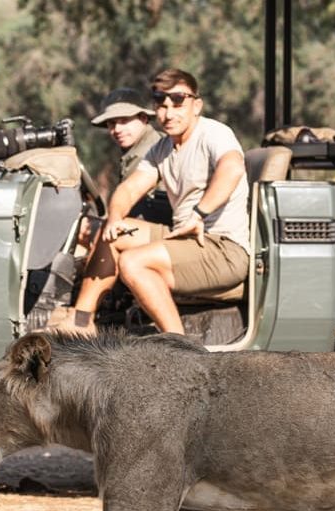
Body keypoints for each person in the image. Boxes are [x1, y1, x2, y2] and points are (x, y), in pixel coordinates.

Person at [47, 68, 249, 337]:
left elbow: (232, 168)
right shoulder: (163, 148)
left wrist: (200, 214)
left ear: (196, 105)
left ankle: (178, 345)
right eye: (161, 104)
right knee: (113, 232)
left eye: (178, 101)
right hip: (185, 238)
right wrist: (116, 217)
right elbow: (129, 189)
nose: (168, 112)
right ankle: (81, 321)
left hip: (221, 247)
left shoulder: (213, 133)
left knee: (133, 262)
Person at [90, 87, 172, 226]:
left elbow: (129, 201)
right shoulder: (148, 143)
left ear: (143, 118)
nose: (117, 129)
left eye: (124, 121)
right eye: (112, 123)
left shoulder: (146, 152)